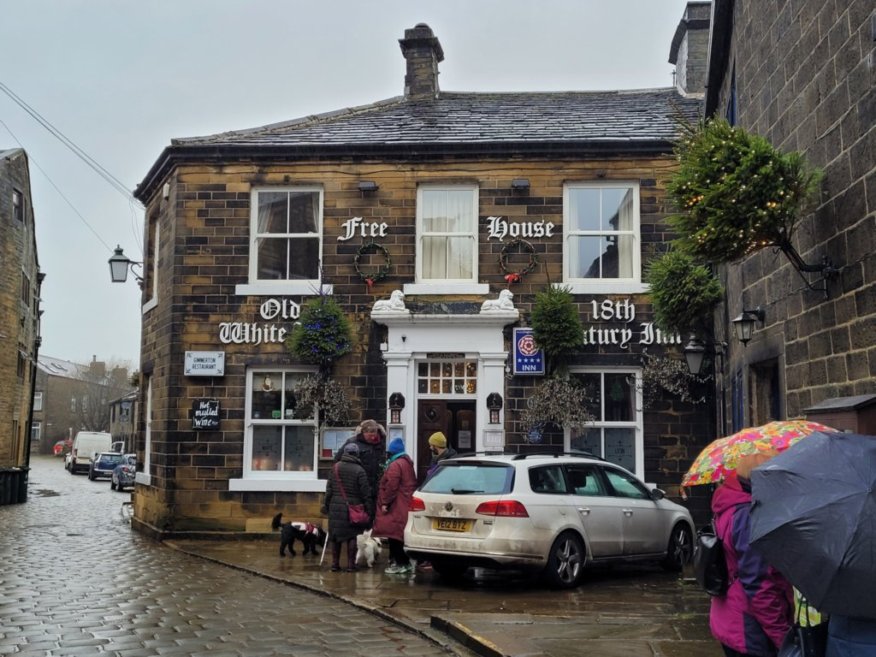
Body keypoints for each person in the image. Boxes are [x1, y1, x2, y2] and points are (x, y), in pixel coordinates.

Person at [709, 453, 793, 657]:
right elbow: (758, 585)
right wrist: (783, 639)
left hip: (729, 616)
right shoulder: (748, 517)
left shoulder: (729, 503)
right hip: (748, 627)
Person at [322, 442, 373, 572]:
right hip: (353, 509)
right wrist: (369, 510)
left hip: (335, 507)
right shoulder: (359, 470)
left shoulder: (335, 468)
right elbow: (365, 493)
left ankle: (335, 564)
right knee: (352, 536)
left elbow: (329, 490)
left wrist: (326, 506)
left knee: (335, 536)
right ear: (356, 454)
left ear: (345, 453)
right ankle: (351, 565)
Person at [372, 437, 417, 575]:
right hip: (404, 503)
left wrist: (385, 502)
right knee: (399, 535)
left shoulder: (395, 465)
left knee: (394, 536)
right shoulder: (407, 463)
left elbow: (391, 486)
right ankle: (405, 563)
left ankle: (401, 564)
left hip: (396, 505)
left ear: (392, 452)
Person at [336, 419, 385, 516]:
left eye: (374, 432)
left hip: (375, 488)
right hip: (357, 487)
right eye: (369, 433)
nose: (372, 436)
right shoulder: (353, 442)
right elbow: (338, 459)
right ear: (363, 432)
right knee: (358, 515)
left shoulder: (382, 442)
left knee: (373, 516)